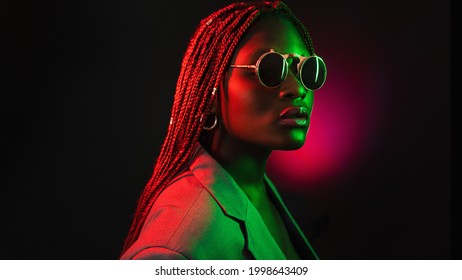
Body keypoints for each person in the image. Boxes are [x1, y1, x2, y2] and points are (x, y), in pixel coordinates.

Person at [120, 0, 327, 260]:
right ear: (211, 91)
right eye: (271, 69)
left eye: (306, 70)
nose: (297, 90)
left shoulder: (253, 188)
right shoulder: (179, 246)